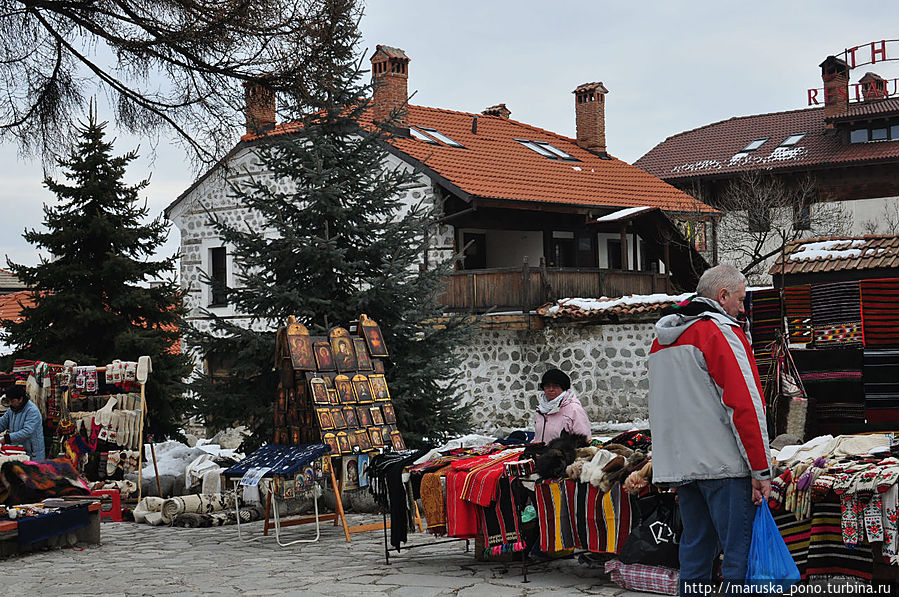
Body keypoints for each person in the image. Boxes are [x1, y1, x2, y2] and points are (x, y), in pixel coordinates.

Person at [648, 264, 771, 591]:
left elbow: (662, 409)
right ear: (723, 296)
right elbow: (745, 405)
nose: (743, 309)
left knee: (695, 549)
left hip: (684, 467)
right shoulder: (719, 332)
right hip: (724, 466)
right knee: (737, 556)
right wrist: (761, 469)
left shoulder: (660, 343)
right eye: (742, 301)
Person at [533, 368, 591, 443]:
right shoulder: (542, 410)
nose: (551, 389)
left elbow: (584, 441)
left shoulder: (574, 410)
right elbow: (538, 438)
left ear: (563, 388)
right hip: (540, 453)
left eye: (555, 386)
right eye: (547, 386)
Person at [0, 383, 46, 460]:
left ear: (20, 399)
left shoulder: (32, 411)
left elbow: (27, 431)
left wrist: (6, 439)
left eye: (13, 401)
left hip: (33, 454)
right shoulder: (11, 410)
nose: (11, 403)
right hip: (18, 451)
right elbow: (2, 423)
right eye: (9, 401)